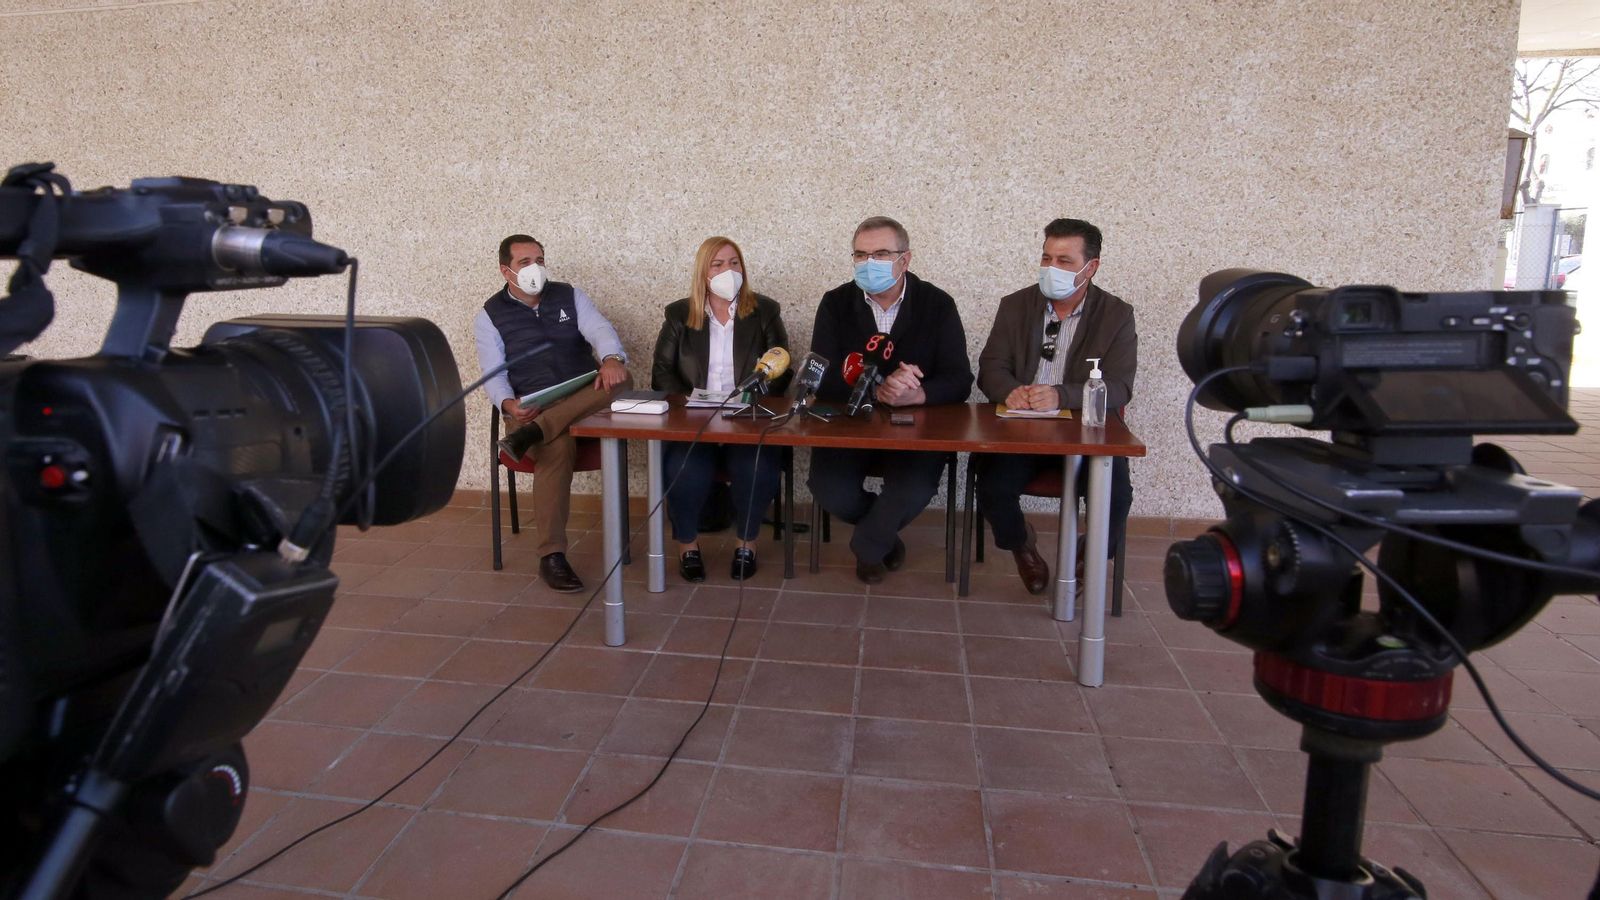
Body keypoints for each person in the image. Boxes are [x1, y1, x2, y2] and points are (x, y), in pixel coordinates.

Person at [808, 216, 973, 584]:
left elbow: (960, 379)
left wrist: (919, 393)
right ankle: (882, 535)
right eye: (861, 255)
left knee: (912, 488)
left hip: (914, 429)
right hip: (851, 424)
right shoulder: (835, 303)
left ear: (906, 259)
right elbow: (824, 374)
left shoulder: (937, 304)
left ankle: (869, 545)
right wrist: (875, 389)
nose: (870, 263)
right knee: (828, 488)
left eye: (881, 253)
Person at [975, 218, 1136, 594]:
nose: (1052, 269)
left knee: (1116, 494)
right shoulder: (1015, 305)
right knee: (993, 485)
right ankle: (1021, 545)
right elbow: (991, 367)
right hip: (1022, 428)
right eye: (1047, 258)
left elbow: (1121, 386)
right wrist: (1009, 391)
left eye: (1064, 261)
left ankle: (1088, 556)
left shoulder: (1116, 315)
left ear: (1090, 267)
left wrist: (1063, 395)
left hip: (1085, 431)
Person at [474, 234, 632, 592]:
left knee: (623, 376)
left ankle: (533, 433)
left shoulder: (568, 295)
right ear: (506, 271)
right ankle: (552, 557)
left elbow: (599, 329)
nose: (536, 269)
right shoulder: (489, 316)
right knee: (557, 449)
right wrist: (509, 405)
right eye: (525, 262)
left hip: (580, 397)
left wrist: (609, 357)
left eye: (540, 260)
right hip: (529, 408)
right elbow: (494, 373)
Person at [651, 237, 790, 581]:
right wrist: (689, 404)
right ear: (703, 273)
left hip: (747, 419)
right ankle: (688, 545)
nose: (728, 271)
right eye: (717, 264)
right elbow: (662, 374)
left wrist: (752, 399)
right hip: (695, 419)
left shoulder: (765, 312)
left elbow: (781, 367)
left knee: (756, 466)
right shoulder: (679, 314)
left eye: (734, 263)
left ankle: (747, 543)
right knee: (685, 468)